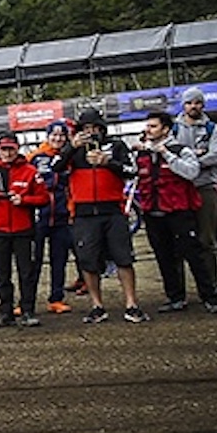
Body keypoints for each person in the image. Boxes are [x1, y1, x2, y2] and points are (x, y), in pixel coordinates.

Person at [56, 108, 147, 324]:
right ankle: (97, 305)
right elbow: (55, 168)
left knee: (123, 258)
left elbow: (132, 170)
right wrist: (71, 147)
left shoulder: (116, 145)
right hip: (84, 213)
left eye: (94, 128)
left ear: (102, 128)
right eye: (86, 128)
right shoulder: (74, 150)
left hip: (113, 210)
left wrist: (108, 163)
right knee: (88, 261)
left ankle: (131, 304)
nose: (91, 132)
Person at [133, 109, 217, 313]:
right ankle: (175, 297)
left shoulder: (181, 149)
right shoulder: (142, 153)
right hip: (153, 212)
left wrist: (166, 154)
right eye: (147, 126)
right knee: (164, 257)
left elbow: (192, 172)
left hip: (179, 211)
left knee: (194, 254)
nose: (148, 130)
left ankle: (210, 297)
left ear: (165, 129)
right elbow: (133, 175)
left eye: (153, 126)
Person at [0, 133, 49, 328]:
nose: (7, 153)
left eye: (11, 149)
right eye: (4, 149)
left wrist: (24, 201)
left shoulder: (30, 171)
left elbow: (44, 198)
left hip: (24, 229)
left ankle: (28, 310)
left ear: (17, 149)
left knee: (26, 272)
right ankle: (5, 312)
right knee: (2, 274)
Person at [170, 86, 217, 277]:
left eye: (198, 102)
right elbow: (167, 152)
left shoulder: (212, 128)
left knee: (207, 240)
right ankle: (179, 293)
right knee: (179, 240)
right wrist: (196, 156)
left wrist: (187, 162)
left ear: (203, 104)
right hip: (179, 190)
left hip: (205, 187)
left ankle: (211, 285)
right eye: (189, 102)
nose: (194, 106)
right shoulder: (173, 129)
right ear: (183, 105)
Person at [30, 120, 78, 313]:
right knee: (33, 262)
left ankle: (56, 299)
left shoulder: (70, 157)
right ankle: (27, 300)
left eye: (61, 135)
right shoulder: (34, 157)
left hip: (62, 217)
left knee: (59, 260)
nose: (57, 139)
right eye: (54, 135)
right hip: (38, 217)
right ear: (47, 136)